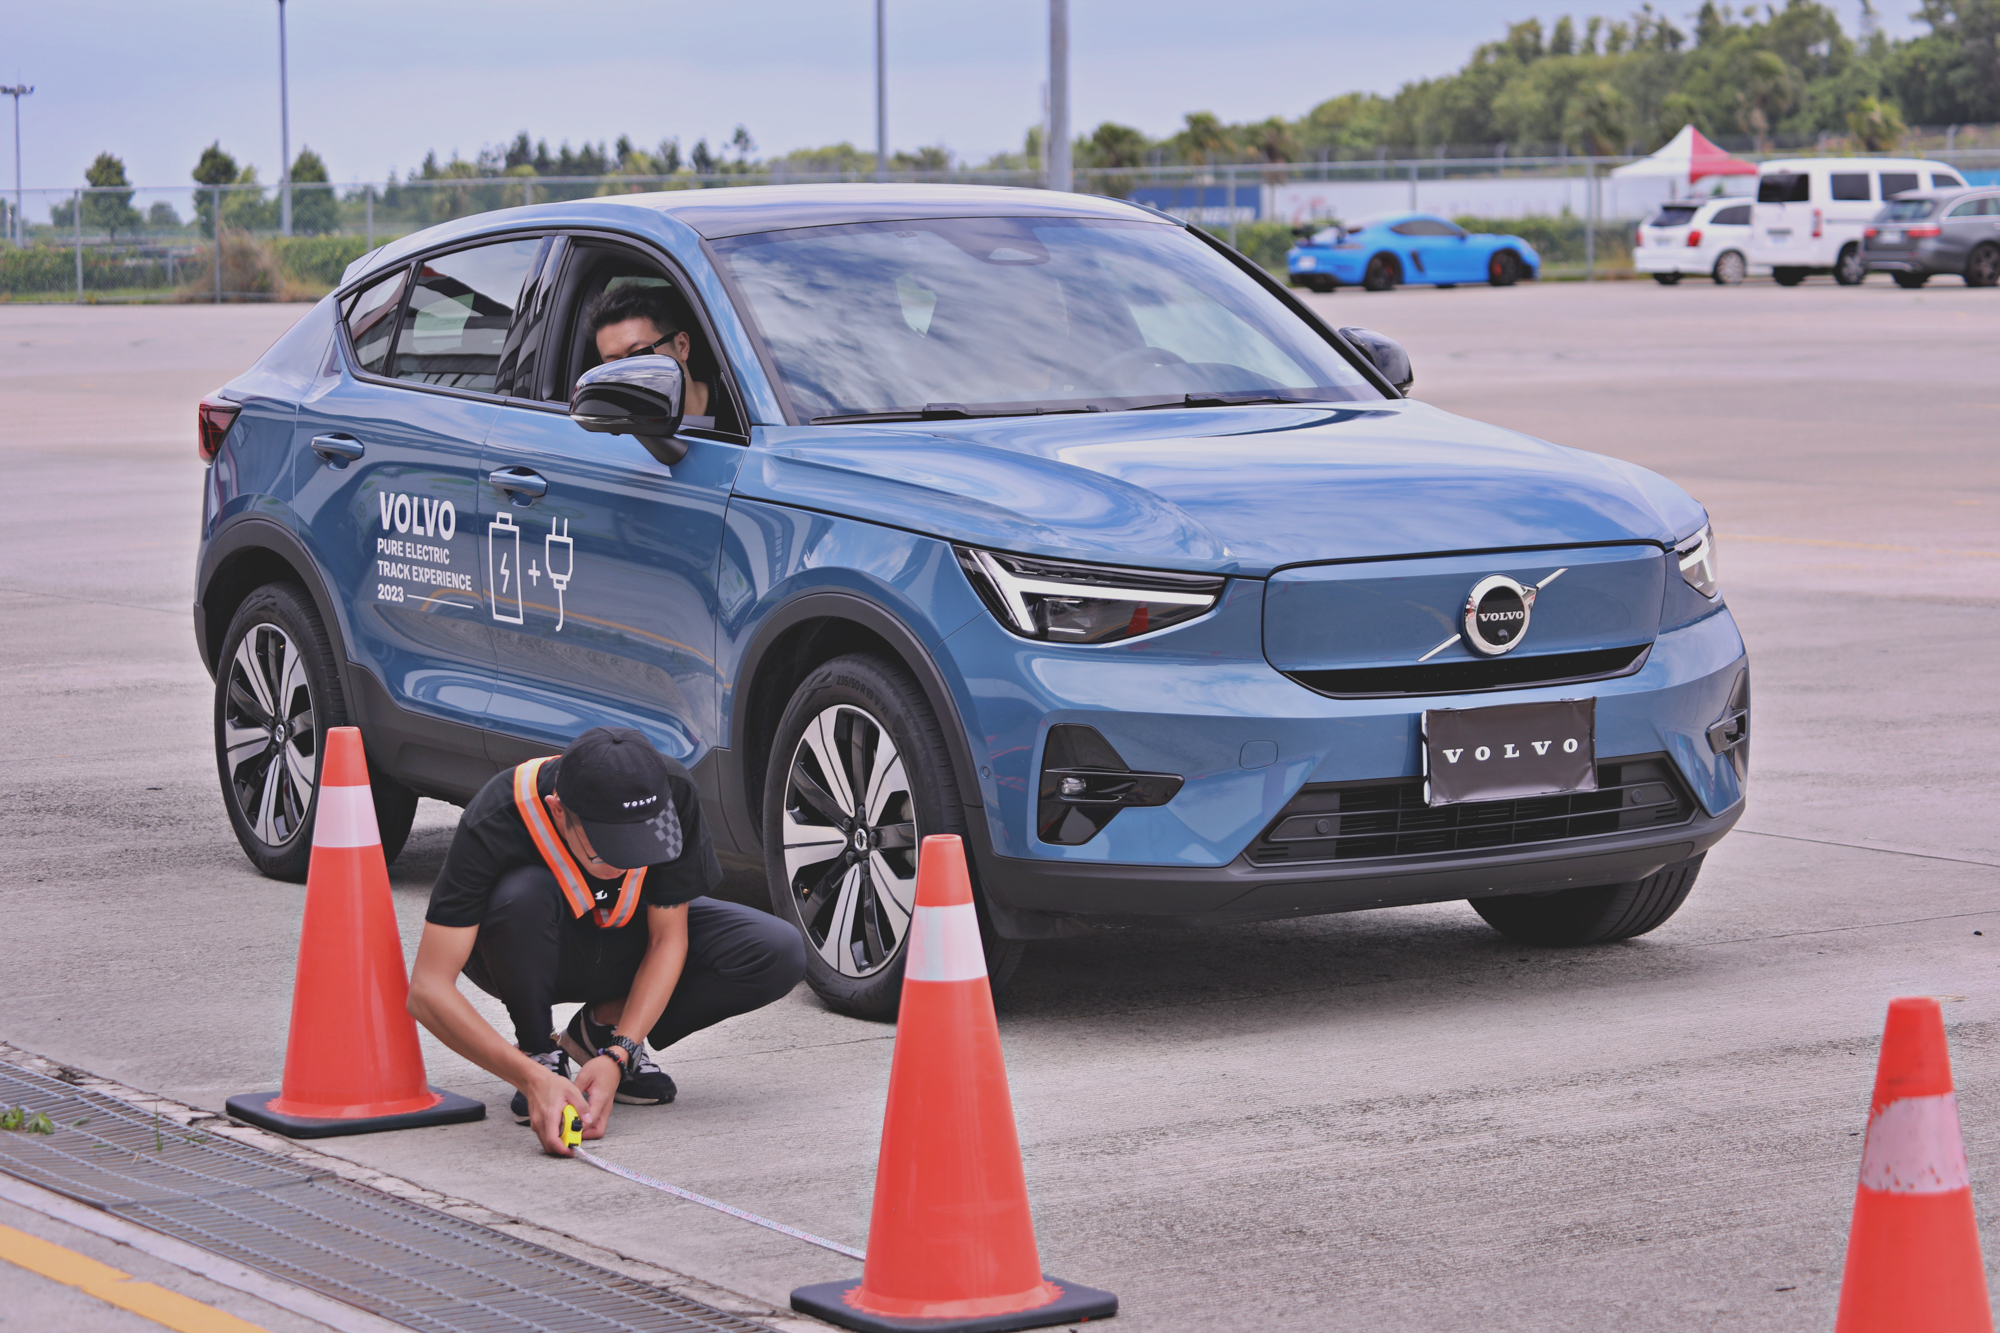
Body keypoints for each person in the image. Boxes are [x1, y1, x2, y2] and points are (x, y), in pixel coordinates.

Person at [407, 727, 806, 1156]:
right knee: (521, 894)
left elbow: (666, 941)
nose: (622, 863)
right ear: (560, 812)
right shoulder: (498, 814)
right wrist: (527, 1076)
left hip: (622, 946)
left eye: (639, 848)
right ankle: (540, 1050)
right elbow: (428, 990)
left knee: (775, 950)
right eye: (606, 850)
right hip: (525, 949)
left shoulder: (669, 795)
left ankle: (600, 1031)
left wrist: (620, 1052)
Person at [587, 284, 712, 420]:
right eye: (613, 366)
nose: (627, 375)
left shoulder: (736, 405)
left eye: (640, 355)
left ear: (682, 346)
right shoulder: (612, 427)